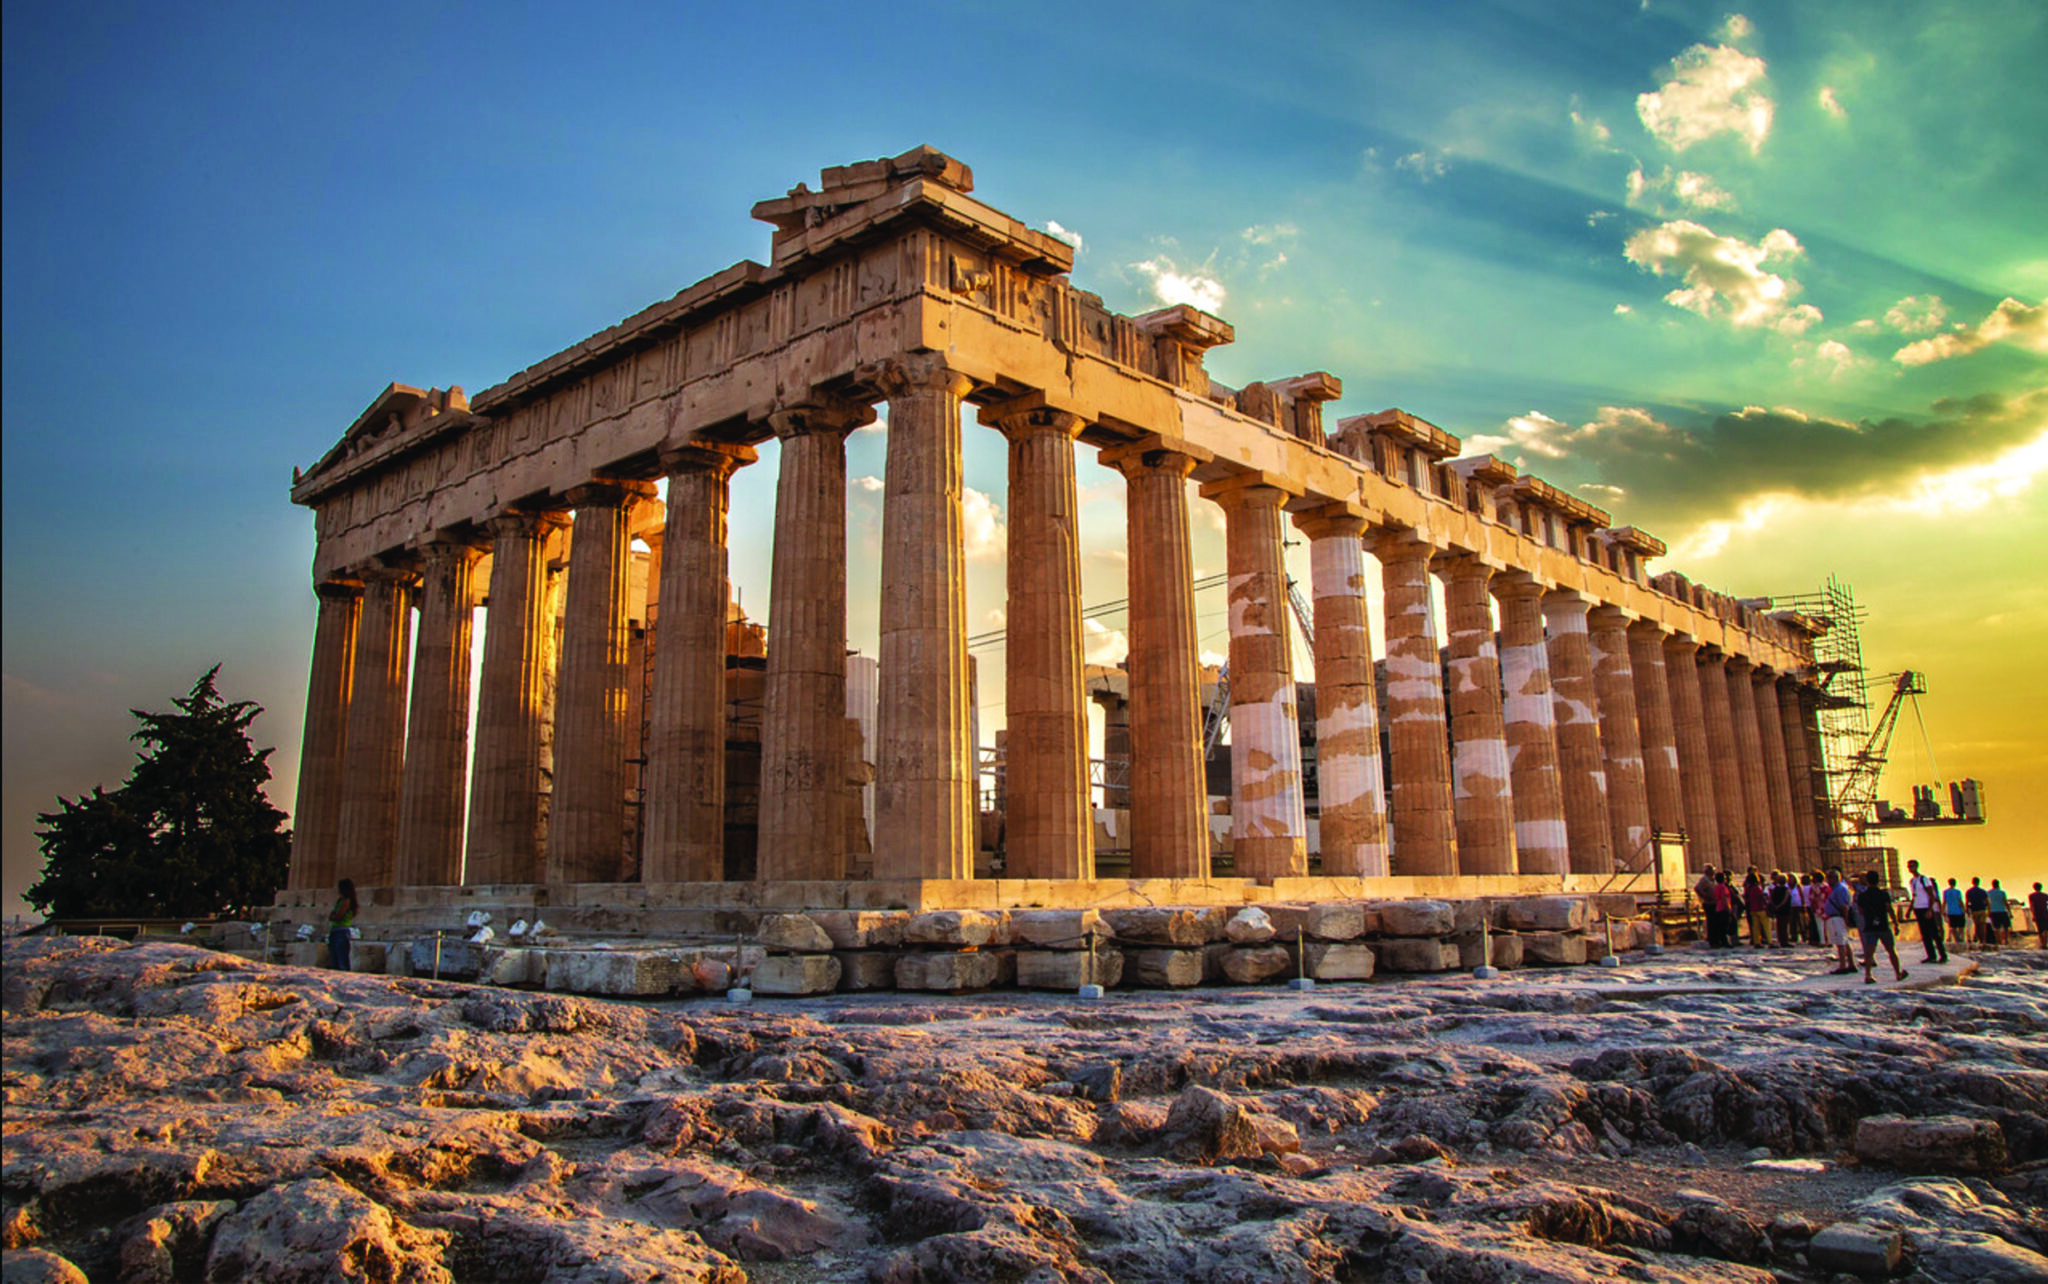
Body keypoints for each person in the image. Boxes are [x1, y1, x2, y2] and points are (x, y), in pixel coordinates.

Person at [1855, 869, 1908, 985]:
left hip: (1870, 926)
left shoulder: (1862, 895)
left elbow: (1860, 911)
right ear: (1878, 880)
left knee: (1869, 953)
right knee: (1891, 951)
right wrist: (1895, 923)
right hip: (1883, 925)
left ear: (1867, 881)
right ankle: (1897, 973)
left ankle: (1868, 975)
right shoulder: (1884, 894)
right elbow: (1889, 909)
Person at [1906, 859, 1947, 964]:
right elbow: (1914, 896)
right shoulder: (1912, 881)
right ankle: (1931, 955)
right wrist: (1909, 909)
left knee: (1934, 933)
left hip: (1925, 908)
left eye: (1912, 866)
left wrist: (1930, 909)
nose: (1911, 868)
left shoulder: (1923, 879)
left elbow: (1931, 895)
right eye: (1909, 866)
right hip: (1918, 908)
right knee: (1925, 934)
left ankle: (1943, 955)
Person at [1820, 868, 1856, 975]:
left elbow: (1844, 906)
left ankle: (1842, 966)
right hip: (1836, 918)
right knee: (1844, 942)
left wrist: (1846, 920)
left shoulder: (1839, 889)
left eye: (1828, 878)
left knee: (1840, 942)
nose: (1827, 880)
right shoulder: (1837, 888)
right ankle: (1851, 964)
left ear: (1834, 878)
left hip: (1838, 918)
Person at [328, 878, 358, 972]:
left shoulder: (347, 901)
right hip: (335, 930)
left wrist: (334, 916)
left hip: (342, 931)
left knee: (342, 960)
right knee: (334, 959)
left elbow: (338, 916)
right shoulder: (340, 901)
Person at [1744, 871, 1770, 950]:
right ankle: (1770, 941)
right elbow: (1761, 897)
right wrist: (1765, 906)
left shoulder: (1748, 889)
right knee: (1766, 926)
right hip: (1760, 908)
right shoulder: (1757, 888)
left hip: (1752, 909)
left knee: (1755, 927)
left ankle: (1757, 942)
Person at [1966, 877, 1992, 951]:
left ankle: (1977, 940)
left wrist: (1967, 911)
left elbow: (1967, 902)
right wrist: (1988, 910)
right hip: (1982, 909)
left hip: (1974, 910)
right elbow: (1988, 902)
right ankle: (1983, 941)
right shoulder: (1983, 891)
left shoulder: (1969, 892)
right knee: (1982, 926)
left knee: (1977, 925)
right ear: (1979, 882)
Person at [1943, 878, 1967, 951]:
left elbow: (1944, 902)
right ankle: (1959, 938)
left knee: (1952, 926)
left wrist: (1943, 910)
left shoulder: (1945, 892)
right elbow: (1960, 901)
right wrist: (1964, 909)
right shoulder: (1957, 892)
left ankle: (1957, 937)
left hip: (1951, 911)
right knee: (1960, 926)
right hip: (1958, 911)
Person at [1988, 879, 2012, 948]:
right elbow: (2005, 902)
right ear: (1998, 884)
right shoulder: (2002, 892)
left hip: (1993, 911)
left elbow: (1988, 903)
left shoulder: (1989, 893)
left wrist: (1988, 912)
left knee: (1996, 928)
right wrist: (2009, 912)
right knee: (2007, 927)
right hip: (2002, 911)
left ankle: (1999, 942)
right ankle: (2006, 939)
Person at [2029, 883, 2048, 950]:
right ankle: (2045, 944)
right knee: (2045, 929)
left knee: (2040, 930)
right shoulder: (2045, 895)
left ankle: (2042, 943)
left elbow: (2032, 906)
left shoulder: (2031, 896)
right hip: (2045, 914)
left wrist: (2033, 915)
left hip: (2037, 914)